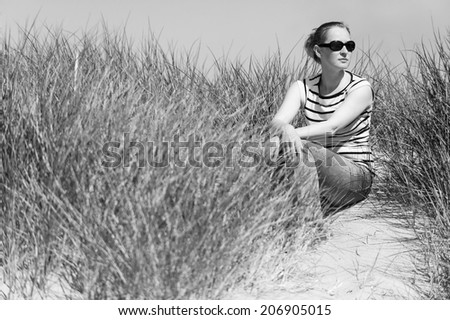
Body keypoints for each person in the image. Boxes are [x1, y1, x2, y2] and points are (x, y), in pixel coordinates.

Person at [269, 21, 375, 215]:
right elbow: (277, 122)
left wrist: (292, 133)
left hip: (355, 178)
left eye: (349, 46)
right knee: (272, 148)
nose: (345, 51)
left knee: (299, 146)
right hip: (317, 169)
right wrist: (285, 129)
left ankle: (310, 225)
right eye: (337, 45)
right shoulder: (302, 87)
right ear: (319, 51)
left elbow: (331, 127)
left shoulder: (360, 88)